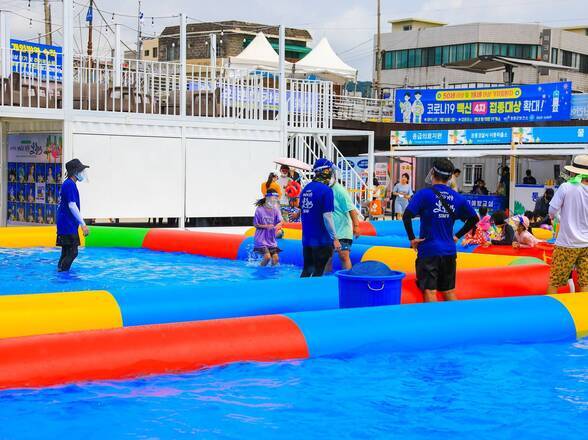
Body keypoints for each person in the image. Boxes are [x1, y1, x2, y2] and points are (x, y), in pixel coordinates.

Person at [403, 159, 478, 302]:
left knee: (430, 292)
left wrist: (412, 239)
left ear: (432, 173)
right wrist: (457, 236)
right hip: (449, 250)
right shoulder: (457, 197)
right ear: (450, 178)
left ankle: (432, 322)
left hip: (429, 250)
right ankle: (454, 322)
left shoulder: (423, 194)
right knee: (449, 291)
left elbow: (407, 216)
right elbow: (474, 219)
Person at [546, 155, 588, 294]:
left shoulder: (566, 187)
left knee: (555, 281)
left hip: (567, 243)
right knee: (585, 282)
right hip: (586, 244)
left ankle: (550, 312)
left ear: (574, 171)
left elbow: (551, 211)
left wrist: (558, 216)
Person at [300, 158, 340, 277]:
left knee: (307, 270)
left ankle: (300, 293)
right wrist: (335, 238)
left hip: (307, 239)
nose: (332, 173)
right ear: (325, 171)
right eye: (330, 170)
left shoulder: (306, 189)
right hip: (321, 240)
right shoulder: (326, 191)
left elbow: (303, 210)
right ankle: (313, 295)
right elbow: (327, 217)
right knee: (318, 273)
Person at [56, 159, 90, 272]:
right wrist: (83, 224)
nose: (82, 173)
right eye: (80, 170)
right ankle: (63, 275)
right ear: (74, 171)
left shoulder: (68, 183)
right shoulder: (70, 185)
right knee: (73, 252)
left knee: (66, 252)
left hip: (65, 223)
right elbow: (72, 205)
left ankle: (59, 272)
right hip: (67, 224)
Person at [329, 179, 361, 270]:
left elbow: (351, 208)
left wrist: (356, 226)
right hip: (329, 229)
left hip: (342, 229)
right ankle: (326, 281)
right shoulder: (324, 189)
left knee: (344, 255)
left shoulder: (339, 190)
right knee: (327, 257)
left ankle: (348, 280)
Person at [253, 189, 283, 267]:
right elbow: (255, 224)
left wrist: (278, 226)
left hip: (271, 240)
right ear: (268, 198)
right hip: (261, 239)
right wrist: (266, 226)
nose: (276, 199)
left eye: (276, 198)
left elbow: (281, 221)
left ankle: (272, 276)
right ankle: (260, 272)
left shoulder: (276, 210)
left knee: (276, 259)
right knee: (267, 257)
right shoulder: (259, 210)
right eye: (274, 197)